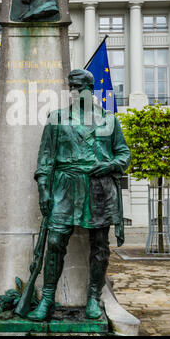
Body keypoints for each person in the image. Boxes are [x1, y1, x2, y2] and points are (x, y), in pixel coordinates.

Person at [27, 69, 131, 322]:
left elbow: (124, 154)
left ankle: (94, 297)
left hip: (99, 189)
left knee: (100, 246)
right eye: (71, 87)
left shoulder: (108, 120)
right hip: (65, 186)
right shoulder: (57, 118)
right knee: (54, 243)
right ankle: (48, 299)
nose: (74, 92)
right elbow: (45, 159)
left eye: (79, 87)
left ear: (90, 90)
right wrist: (44, 189)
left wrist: (110, 165)